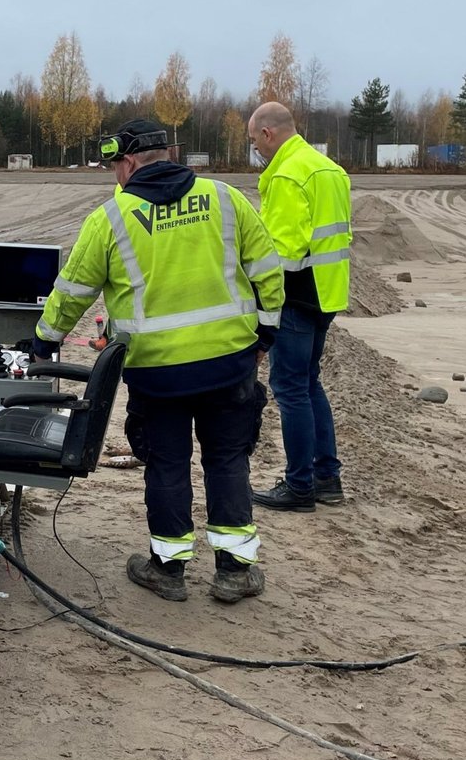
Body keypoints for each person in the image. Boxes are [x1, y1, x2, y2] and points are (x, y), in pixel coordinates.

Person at [33, 120, 284, 603]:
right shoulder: (225, 199)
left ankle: (167, 571)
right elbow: (267, 270)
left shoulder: (111, 218)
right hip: (230, 362)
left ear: (127, 163)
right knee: (227, 460)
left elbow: (72, 292)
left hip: (157, 373)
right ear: (169, 153)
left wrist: (45, 341)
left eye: (114, 167)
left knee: (167, 464)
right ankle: (234, 572)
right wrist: (265, 334)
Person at [246, 102, 352, 512]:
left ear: (268, 134)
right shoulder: (327, 168)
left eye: (255, 140)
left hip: (295, 297)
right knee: (309, 385)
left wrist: (258, 297)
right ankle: (327, 479)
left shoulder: (288, 175)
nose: (255, 148)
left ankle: (299, 485)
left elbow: (283, 253)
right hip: (327, 293)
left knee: (290, 390)